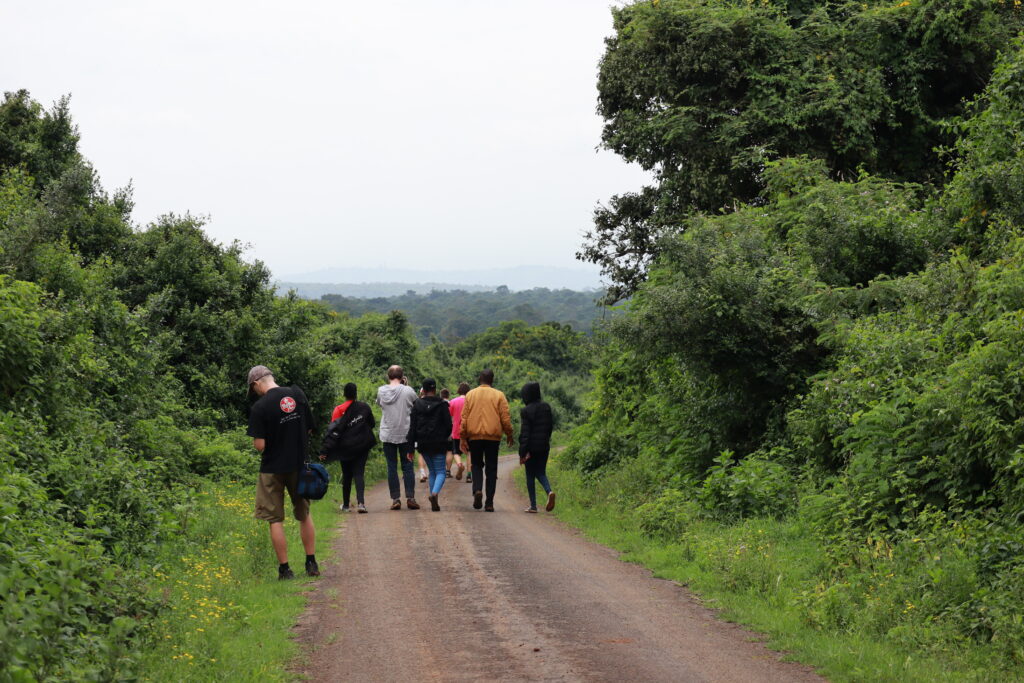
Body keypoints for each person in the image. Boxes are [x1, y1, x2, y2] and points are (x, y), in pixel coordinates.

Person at [245, 365, 319, 580]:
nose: (255, 393)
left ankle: (285, 569)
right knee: (304, 514)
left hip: (272, 468)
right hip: (300, 464)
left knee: (275, 519)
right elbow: (309, 428)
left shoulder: (260, 407)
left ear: (257, 383)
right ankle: (311, 562)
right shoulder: (297, 394)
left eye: (254, 389)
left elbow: (260, 445)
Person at [460, 370, 514, 512]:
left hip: (474, 436)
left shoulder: (471, 394)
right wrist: (509, 433)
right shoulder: (499, 395)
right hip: (493, 437)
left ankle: (477, 490)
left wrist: (463, 437)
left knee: (476, 465)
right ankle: (489, 503)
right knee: (491, 468)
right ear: (492, 380)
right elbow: (505, 418)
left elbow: (464, 417)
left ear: (480, 379)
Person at [321, 383, 375, 514]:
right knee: (359, 473)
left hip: (345, 447)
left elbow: (333, 431)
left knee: (347, 475)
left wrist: (325, 450)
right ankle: (361, 504)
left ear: (344, 394)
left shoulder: (339, 410)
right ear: (356, 393)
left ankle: (345, 505)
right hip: (362, 446)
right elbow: (372, 424)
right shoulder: (365, 407)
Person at [376, 365, 419, 510]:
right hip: (406, 434)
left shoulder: (381, 390)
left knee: (391, 467)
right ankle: (410, 497)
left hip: (387, 434)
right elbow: (416, 405)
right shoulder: (409, 390)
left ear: (388, 376)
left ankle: (395, 499)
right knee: (408, 466)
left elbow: (380, 405)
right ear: (402, 377)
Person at [409, 378, 453, 511]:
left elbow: (412, 426)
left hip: (423, 443)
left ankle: (434, 499)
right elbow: (448, 426)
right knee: (440, 472)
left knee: (432, 471)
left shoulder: (417, 404)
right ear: (434, 390)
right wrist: (444, 436)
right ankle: (434, 494)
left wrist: (410, 447)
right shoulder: (442, 404)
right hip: (439, 443)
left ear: (423, 389)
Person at [519, 381, 556, 513]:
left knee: (530, 475)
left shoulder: (526, 410)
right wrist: (545, 440)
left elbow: (525, 433)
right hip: (544, 446)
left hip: (531, 448)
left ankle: (533, 506)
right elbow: (550, 427)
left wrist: (522, 452)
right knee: (541, 472)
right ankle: (549, 491)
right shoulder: (546, 407)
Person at [448, 383, 469, 481]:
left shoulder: (453, 402)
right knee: (470, 453)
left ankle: (460, 465)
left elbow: (450, 415)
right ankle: (469, 475)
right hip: (469, 431)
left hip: (456, 431)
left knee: (456, 452)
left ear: (459, 390)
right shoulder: (471, 401)